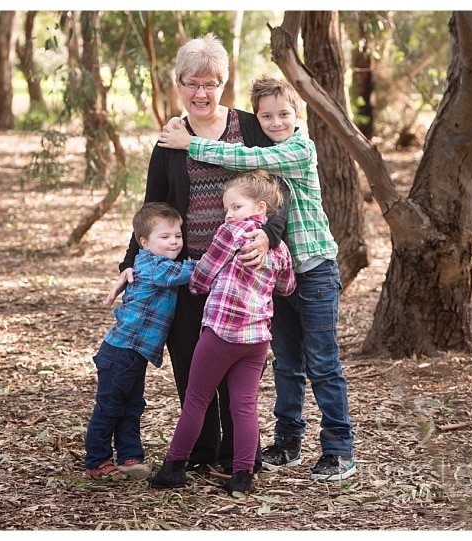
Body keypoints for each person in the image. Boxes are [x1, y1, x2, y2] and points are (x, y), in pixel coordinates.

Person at [105, 34, 290, 474]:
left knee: (239, 373)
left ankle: (237, 457)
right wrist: (131, 263)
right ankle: (201, 452)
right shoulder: (171, 139)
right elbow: (152, 207)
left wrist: (270, 238)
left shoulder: (249, 129)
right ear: (179, 84)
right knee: (190, 363)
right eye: (192, 83)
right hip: (189, 272)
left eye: (211, 83)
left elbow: (278, 194)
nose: (201, 93)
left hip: (242, 273)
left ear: (223, 84)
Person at [158, 75, 356, 481]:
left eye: (284, 113)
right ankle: (288, 442)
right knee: (286, 364)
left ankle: (339, 450)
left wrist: (189, 143)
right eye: (266, 115)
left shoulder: (299, 150)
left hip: (314, 271)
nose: (276, 121)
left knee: (322, 364)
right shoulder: (273, 149)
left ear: (296, 114)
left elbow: (246, 161)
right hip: (280, 278)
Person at [147, 169, 295, 495]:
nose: (229, 215)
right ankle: (242, 475)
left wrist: (199, 285)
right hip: (256, 339)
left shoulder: (230, 233)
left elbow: (203, 275)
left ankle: (174, 467)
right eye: (227, 209)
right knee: (244, 405)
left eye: (236, 207)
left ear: (260, 208)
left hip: (222, 332)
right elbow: (287, 286)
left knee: (196, 399)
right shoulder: (278, 247)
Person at [85, 202, 197, 479]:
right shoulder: (153, 266)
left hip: (134, 354)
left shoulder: (160, 262)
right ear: (144, 243)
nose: (174, 242)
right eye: (165, 237)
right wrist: (217, 258)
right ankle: (96, 462)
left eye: (178, 236)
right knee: (110, 408)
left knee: (132, 405)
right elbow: (190, 272)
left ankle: (130, 456)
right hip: (121, 352)